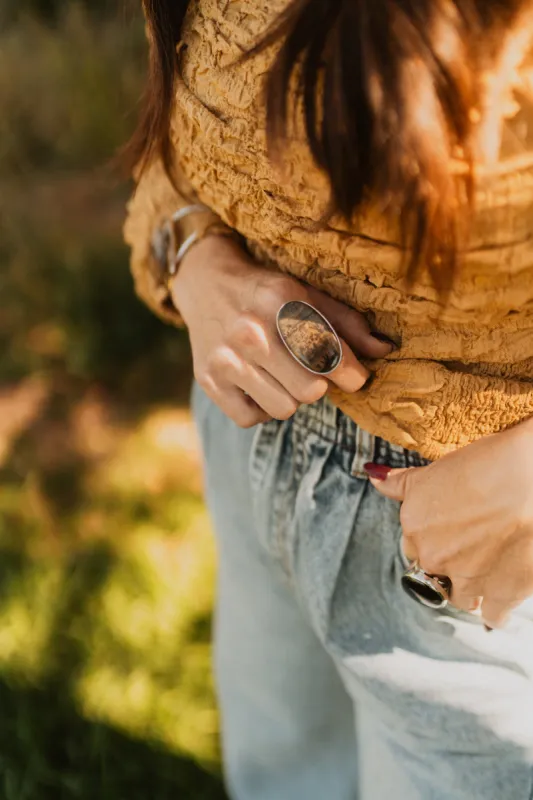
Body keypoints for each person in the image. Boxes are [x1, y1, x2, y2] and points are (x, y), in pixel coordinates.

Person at [124, 1, 533, 798]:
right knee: (280, 768)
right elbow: (178, 127)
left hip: (479, 541)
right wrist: (193, 249)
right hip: (247, 439)